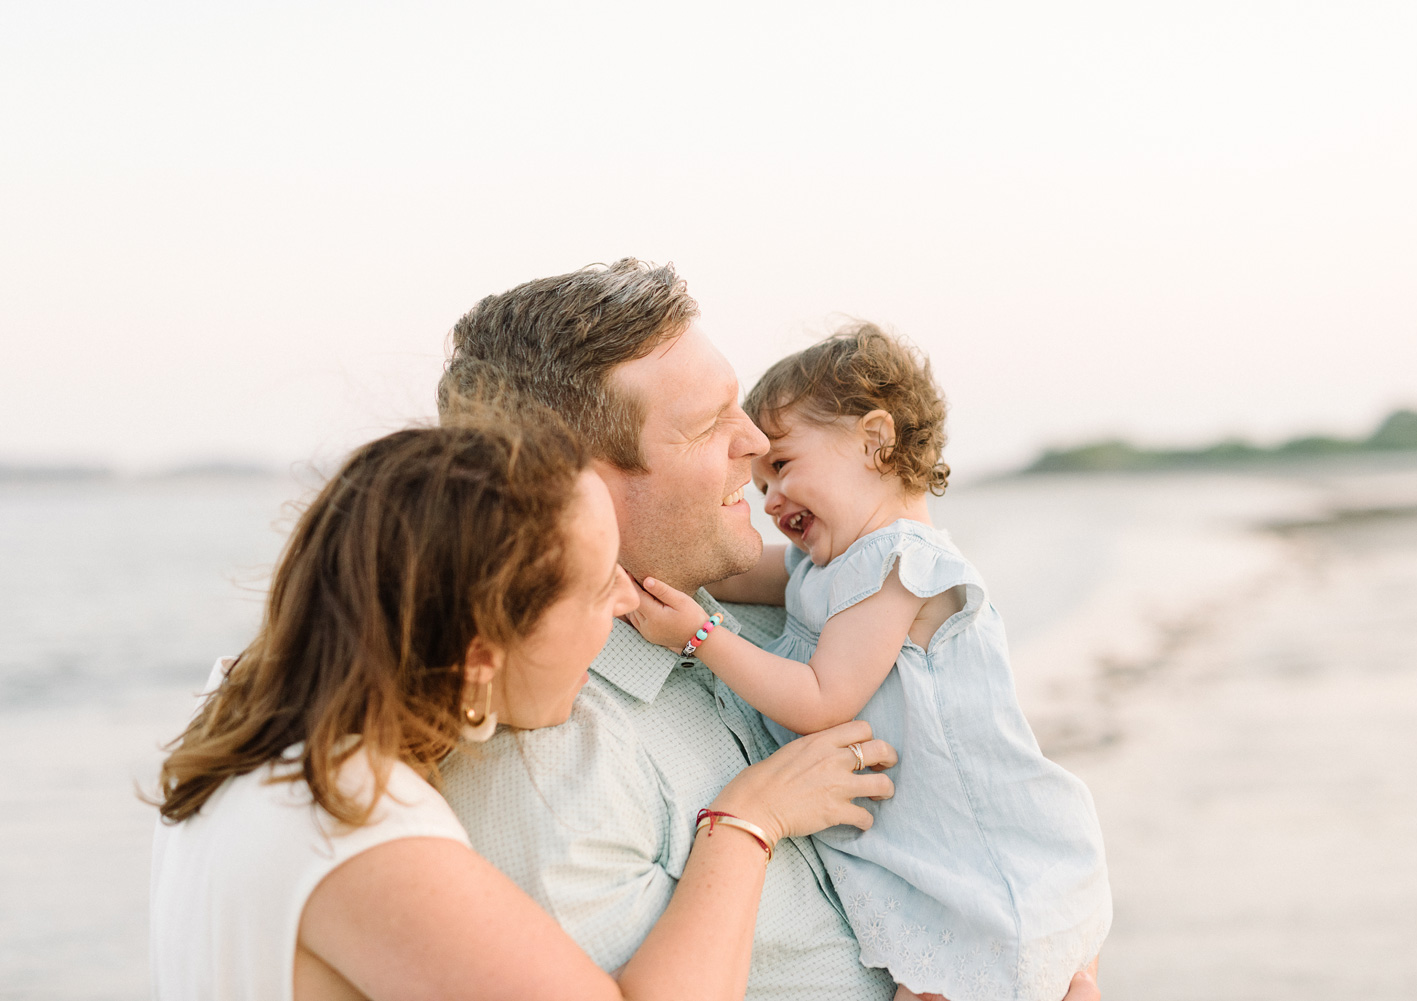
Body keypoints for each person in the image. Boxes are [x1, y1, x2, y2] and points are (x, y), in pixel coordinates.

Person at [437, 259, 1103, 1001]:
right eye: (706, 424)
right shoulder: (557, 775)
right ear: (570, 481)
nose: (753, 443)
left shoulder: (790, 608)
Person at [147, 409, 898, 1001]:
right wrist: (746, 820)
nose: (623, 601)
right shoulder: (353, 820)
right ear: (481, 656)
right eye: (599, 585)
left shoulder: (242, 716)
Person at [628, 323, 1112, 1000]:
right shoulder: (823, 563)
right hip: (919, 856)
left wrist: (700, 635)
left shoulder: (900, 564)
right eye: (763, 480)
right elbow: (723, 571)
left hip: (979, 862)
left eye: (785, 466)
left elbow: (823, 696)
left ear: (874, 441)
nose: (769, 500)